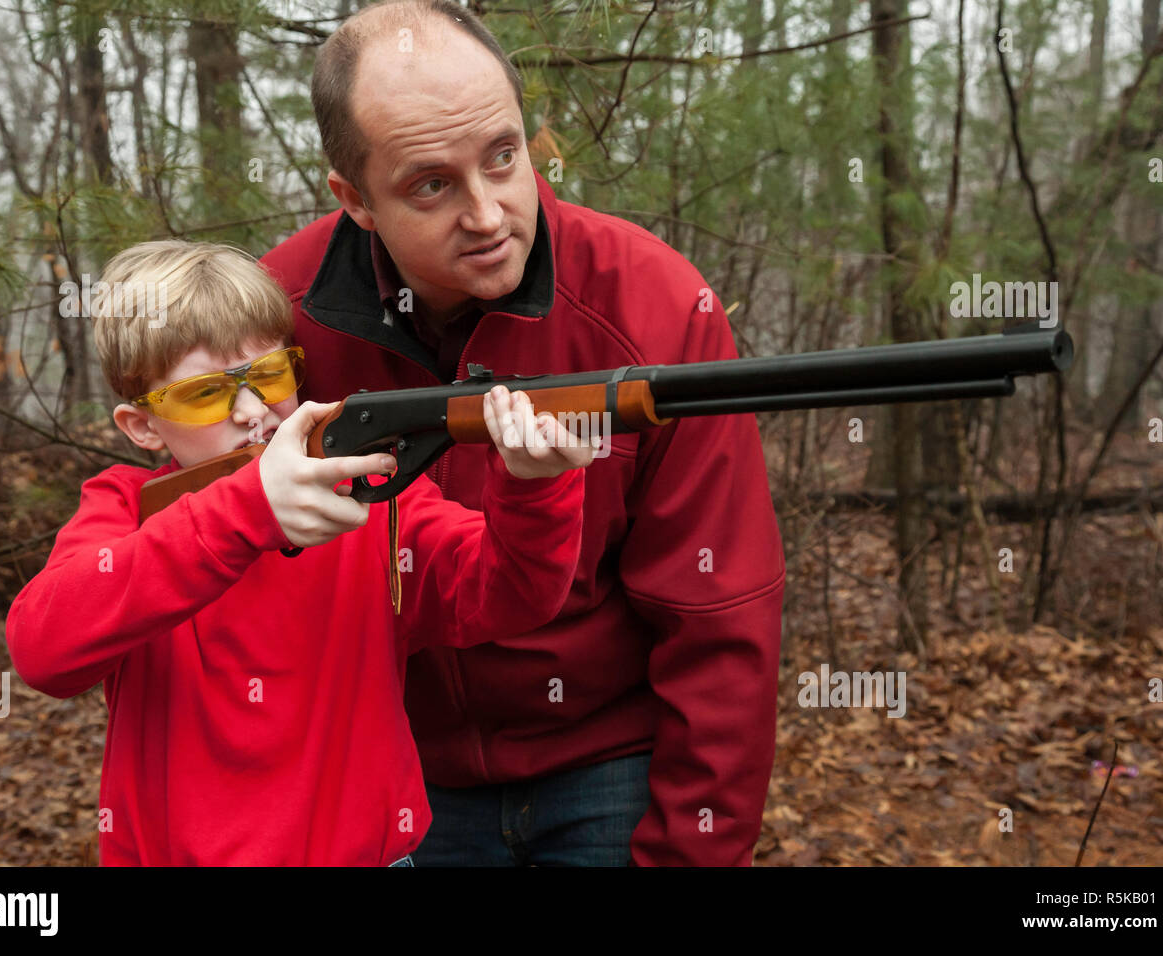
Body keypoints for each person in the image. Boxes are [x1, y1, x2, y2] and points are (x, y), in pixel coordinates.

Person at [262, 0, 786, 867]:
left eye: (503, 158)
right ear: (353, 198)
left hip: (608, 763)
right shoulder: (274, 319)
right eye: (431, 184)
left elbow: (719, 615)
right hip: (388, 777)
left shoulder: (652, 302)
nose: (489, 213)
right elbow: (192, 575)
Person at [4, 239, 594, 865]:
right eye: (205, 393)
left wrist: (534, 489)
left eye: (268, 376)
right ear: (143, 426)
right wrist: (246, 513)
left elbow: (507, 595)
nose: (253, 411)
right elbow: (43, 650)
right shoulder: (124, 509)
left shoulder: (366, 489)